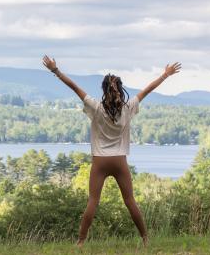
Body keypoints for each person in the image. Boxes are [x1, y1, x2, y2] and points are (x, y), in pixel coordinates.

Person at [42, 55, 181, 248]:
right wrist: (165, 75)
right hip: (119, 161)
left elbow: (74, 87)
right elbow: (148, 89)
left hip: (100, 161)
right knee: (130, 200)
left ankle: (81, 242)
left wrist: (55, 70)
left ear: (103, 89)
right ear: (120, 89)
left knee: (93, 200)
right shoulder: (128, 108)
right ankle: (145, 239)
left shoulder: (96, 108)